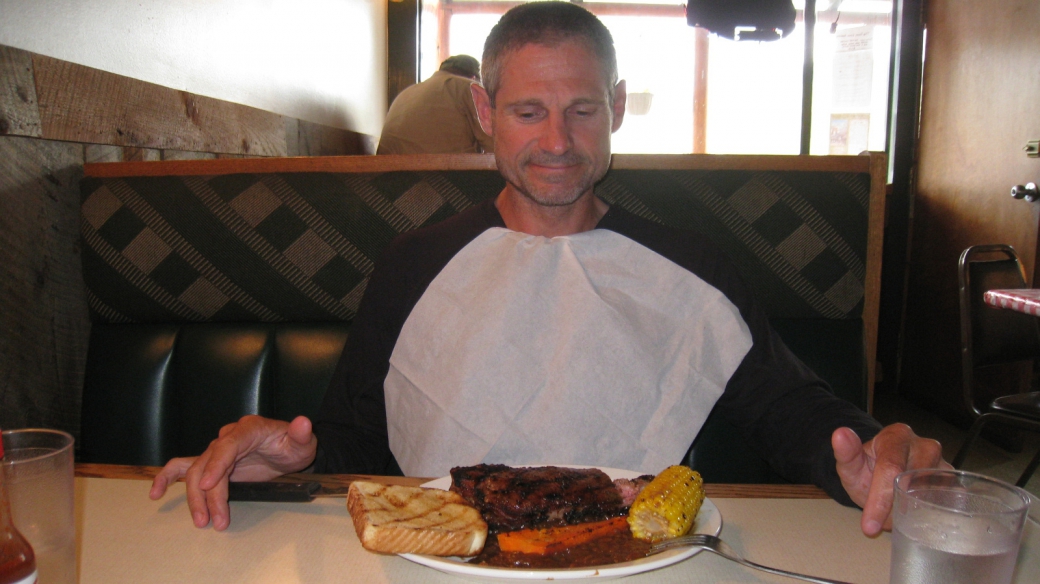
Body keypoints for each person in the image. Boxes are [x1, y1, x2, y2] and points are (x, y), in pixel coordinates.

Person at [150, 1, 948, 537]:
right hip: (444, 563)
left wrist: (870, 451)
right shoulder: (413, 264)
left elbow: (789, 408)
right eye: (529, 111)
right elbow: (359, 435)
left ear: (619, 107)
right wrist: (290, 464)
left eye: (583, 110)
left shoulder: (696, 266)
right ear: (486, 114)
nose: (558, 141)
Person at [376, 55, 494, 155]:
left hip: (388, 176)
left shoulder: (406, 93)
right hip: (447, 177)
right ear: (474, 77)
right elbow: (495, 147)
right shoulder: (469, 87)